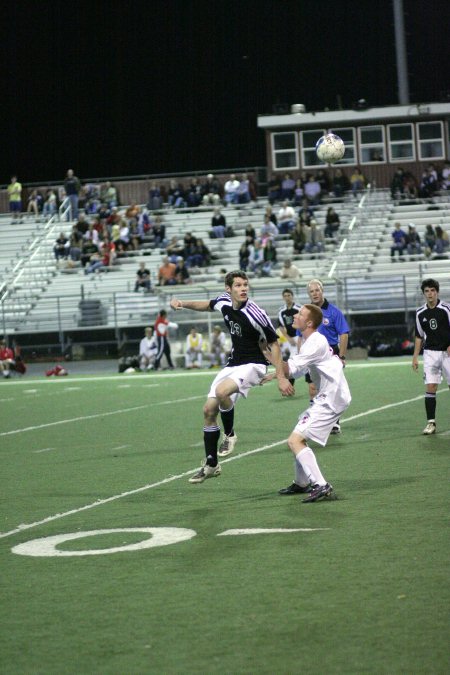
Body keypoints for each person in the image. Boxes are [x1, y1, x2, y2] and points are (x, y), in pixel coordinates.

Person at [169, 270, 292, 482]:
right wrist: (181, 303)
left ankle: (230, 434)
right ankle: (211, 464)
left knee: (221, 391)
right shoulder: (224, 302)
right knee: (208, 410)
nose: (243, 288)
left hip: (254, 364)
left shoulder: (256, 313)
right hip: (233, 364)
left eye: (245, 285)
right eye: (238, 285)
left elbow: (274, 343)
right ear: (229, 289)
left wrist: (280, 377)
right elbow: (207, 305)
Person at [263, 303, 351, 502]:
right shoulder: (309, 340)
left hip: (331, 398)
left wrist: (266, 353)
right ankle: (301, 483)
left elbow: (290, 369)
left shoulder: (314, 342)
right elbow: (299, 369)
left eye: (300, 314)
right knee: (298, 434)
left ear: (309, 322)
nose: (295, 315)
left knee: (295, 440)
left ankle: (321, 485)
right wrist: (276, 372)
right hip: (330, 395)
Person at [305, 278, 350, 434]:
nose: (315, 293)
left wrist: (342, 356)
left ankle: (334, 422)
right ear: (308, 294)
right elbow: (300, 336)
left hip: (330, 352)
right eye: (312, 291)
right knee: (312, 389)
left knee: (331, 388)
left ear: (322, 291)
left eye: (317, 290)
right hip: (311, 354)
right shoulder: (306, 313)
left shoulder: (333, 311)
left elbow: (344, 333)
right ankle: (315, 421)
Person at [412, 278, 450, 435]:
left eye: (433, 290)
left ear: (437, 292)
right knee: (431, 387)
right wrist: (415, 357)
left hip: (447, 353)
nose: (430, 294)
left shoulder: (446, 308)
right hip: (430, 354)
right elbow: (419, 336)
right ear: (423, 294)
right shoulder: (420, 313)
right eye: (427, 291)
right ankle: (431, 423)